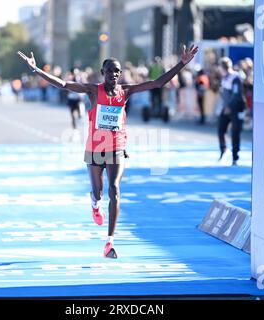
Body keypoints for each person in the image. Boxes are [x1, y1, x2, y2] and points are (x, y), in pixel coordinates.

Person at [17, 44, 199, 258]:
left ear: (120, 74)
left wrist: (182, 63)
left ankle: (109, 242)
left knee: (115, 189)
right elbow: (64, 84)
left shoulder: (126, 91)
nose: (113, 74)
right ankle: (95, 203)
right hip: (95, 148)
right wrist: (36, 70)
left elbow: (158, 83)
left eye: (117, 71)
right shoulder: (94, 90)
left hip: (116, 147)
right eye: (109, 71)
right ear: (103, 73)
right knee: (99, 192)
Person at [217, 57, 246, 166]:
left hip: (236, 108)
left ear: (222, 66)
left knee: (235, 132)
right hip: (226, 108)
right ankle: (223, 150)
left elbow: (236, 94)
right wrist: (225, 106)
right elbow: (224, 94)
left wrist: (229, 106)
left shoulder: (235, 77)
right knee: (221, 129)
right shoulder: (224, 78)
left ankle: (235, 156)